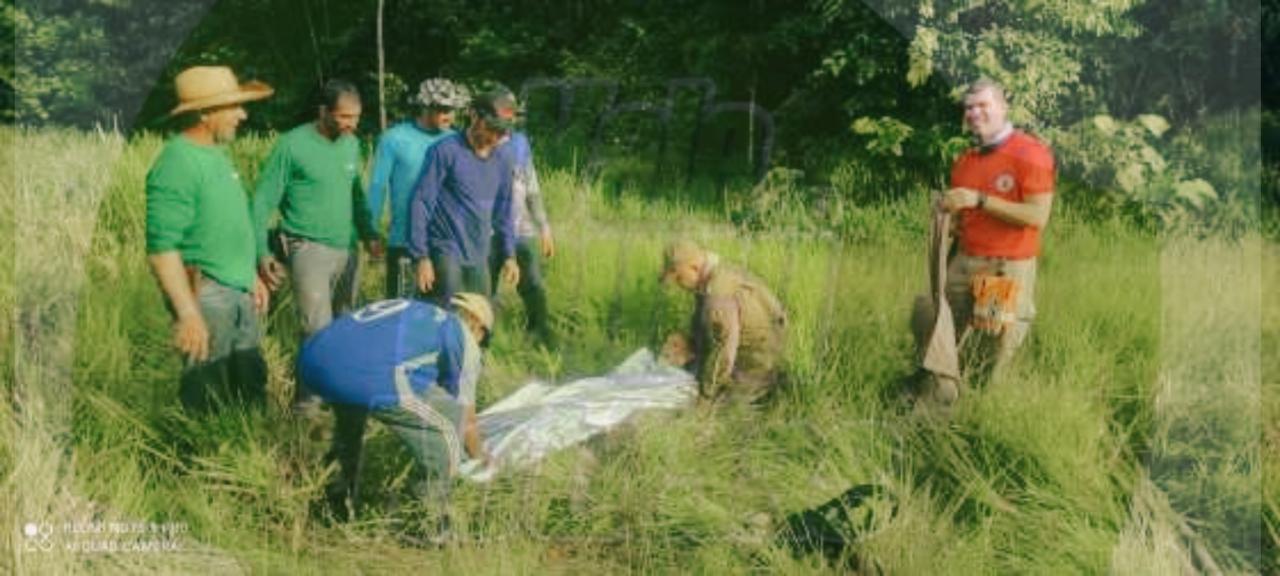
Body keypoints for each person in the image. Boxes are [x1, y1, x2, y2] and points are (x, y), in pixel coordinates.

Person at [910, 78, 1056, 402]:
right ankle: (937, 402)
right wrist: (951, 223)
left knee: (989, 349)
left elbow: (1037, 217)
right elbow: (967, 216)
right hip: (963, 262)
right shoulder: (966, 160)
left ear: (1003, 107)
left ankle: (976, 415)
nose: (975, 113)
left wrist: (979, 199)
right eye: (969, 108)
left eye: (983, 105)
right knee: (937, 329)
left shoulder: (1030, 153)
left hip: (1002, 270)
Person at [145, 65, 273, 412]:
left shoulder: (216, 155)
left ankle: (247, 458)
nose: (242, 115)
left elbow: (226, 225)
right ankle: (204, 461)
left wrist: (250, 275)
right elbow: (162, 249)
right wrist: (188, 314)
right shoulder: (177, 163)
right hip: (208, 295)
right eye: (233, 107)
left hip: (238, 289)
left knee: (248, 385)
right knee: (208, 396)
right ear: (204, 113)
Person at [297, 294, 495, 517]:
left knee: (350, 421)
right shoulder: (463, 336)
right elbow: (467, 422)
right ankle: (432, 519)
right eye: (484, 340)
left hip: (313, 356)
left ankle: (335, 498)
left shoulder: (418, 310)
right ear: (477, 325)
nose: (481, 346)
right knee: (447, 427)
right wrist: (481, 458)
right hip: (366, 374)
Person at [252, 79, 381, 411]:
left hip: (347, 248)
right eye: (344, 117)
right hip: (306, 247)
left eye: (356, 117)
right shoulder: (292, 145)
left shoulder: (351, 145)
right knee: (316, 330)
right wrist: (261, 252)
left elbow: (355, 195)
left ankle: (340, 397)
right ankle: (307, 408)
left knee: (346, 326)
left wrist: (369, 234)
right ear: (323, 111)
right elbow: (262, 200)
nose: (352, 124)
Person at [409, 86, 520, 308]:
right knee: (446, 315)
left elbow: (504, 210)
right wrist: (421, 256)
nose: (496, 138)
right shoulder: (445, 151)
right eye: (492, 129)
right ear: (474, 115)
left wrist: (509, 254)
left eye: (502, 133)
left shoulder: (503, 159)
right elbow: (421, 202)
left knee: (481, 322)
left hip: (479, 253)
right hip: (445, 249)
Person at [367, 78, 471, 299]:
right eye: (442, 109)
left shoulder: (457, 140)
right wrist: (371, 231)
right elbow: (377, 186)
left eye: (452, 109)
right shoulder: (394, 138)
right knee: (400, 311)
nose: (449, 115)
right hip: (404, 241)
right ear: (425, 106)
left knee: (443, 311)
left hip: (446, 241)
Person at [659, 240, 788, 405]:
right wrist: (689, 344)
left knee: (685, 399)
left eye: (678, 277)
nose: (678, 284)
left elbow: (724, 351)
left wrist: (705, 396)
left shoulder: (718, 294)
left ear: (694, 267)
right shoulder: (722, 272)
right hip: (761, 358)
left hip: (755, 370)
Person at [490, 130, 556, 347]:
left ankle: (540, 335)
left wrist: (545, 228)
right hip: (487, 234)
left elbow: (533, 192)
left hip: (522, 232)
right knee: (484, 290)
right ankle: (482, 342)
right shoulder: (476, 145)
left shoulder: (520, 144)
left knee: (534, 286)